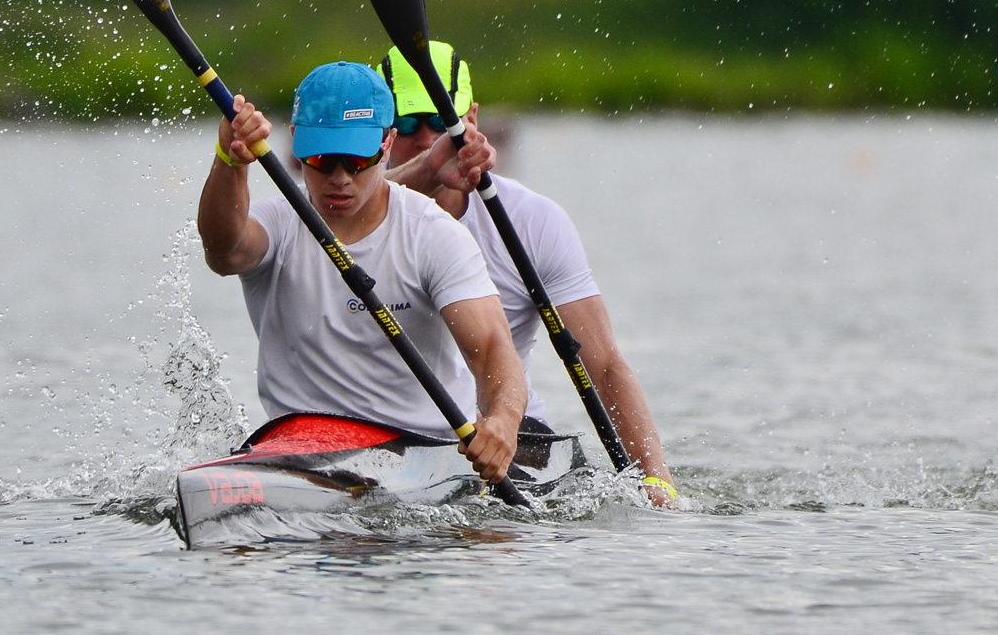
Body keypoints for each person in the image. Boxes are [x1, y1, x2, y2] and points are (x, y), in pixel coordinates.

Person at [196, 61, 527, 485]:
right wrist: (231, 160)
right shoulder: (278, 224)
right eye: (321, 159)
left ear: (388, 142)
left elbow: (493, 351)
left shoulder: (431, 234)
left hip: (418, 449)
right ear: (295, 142)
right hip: (298, 448)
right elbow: (224, 254)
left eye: (356, 160)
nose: (339, 179)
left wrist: (501, 421)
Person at [377, 42, 677, 505]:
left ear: (470, 120)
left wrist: (657, 481)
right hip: (388, 431)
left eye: (441, 122)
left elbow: (605, 364)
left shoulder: (534, 221)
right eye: (407, 123)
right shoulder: (340, 218)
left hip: (513, 435)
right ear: (381, 132)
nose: (426, 139)